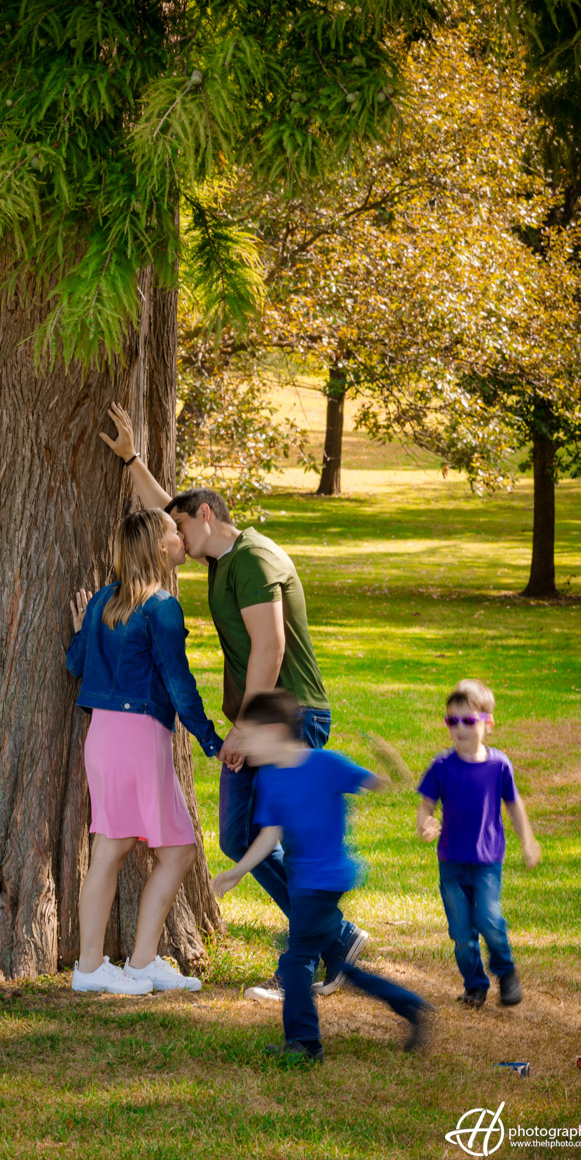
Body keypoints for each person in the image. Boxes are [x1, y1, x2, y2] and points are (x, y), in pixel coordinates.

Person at [100, 402, 369, 1002]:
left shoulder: (252, 557)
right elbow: (164, 509)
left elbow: (270, 652)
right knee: (238, 835)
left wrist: (245, 731)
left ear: (207, 515)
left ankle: (312, 957)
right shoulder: (220, 559)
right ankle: (336, 939)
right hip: (259, 723)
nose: (174, 541)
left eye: (180, 529)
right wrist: (133, 460)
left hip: (287, 720)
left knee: (286, 837)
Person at [211, 690, 432, 1063]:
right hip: (302, 882)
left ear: (278, 730)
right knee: (341, 964)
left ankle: (305, 1043)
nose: (246, 746)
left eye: (252, 736)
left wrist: (392, 767)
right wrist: (237, 871)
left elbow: (373, 782)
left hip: (325, 879)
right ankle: (409, 1006)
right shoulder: (269, 779)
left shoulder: (325, 763)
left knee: (297, 960)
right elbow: (269, 835)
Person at [66, 508, 224, 996]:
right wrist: (212, 741)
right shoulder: (161, 607)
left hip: (108, 738)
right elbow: (180, 685)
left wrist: (83, 627)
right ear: (158, 546)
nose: (181, 538)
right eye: (173, 533)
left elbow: (76, 663)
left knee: (170, 849)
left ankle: (139, 963)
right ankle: (92, 969)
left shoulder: (101, 603)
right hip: (136, 737)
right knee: (118, 849)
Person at [416, 678, 541, 1009]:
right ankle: (475, 985)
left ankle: (505, 969)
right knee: (461, 932)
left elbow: (514, 805)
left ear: (488, 724)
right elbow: (426, 805)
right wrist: (424, 823)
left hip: (486, 861)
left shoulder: (499, 765)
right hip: (451, 863)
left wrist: (527, 841)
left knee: (488, 919)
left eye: (468, 720)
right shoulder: (441, 766)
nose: (459, 727)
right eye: (452, 720)